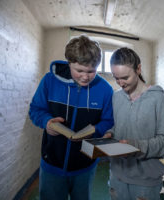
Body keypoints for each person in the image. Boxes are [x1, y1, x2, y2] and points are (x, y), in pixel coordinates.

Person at [29, 35, 114, 200]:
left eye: (91, 71)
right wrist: (46, 122)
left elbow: (108, 120)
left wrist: (96, 130)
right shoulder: (49, 81)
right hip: (52, 163)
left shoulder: (106, 90)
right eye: (79, 70)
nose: (85, 76)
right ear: (69, 63)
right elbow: (35, 110)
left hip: (86, 165)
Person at [103, 47, 164, 200]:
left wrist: (138, 147)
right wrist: (110, 134)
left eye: (125, 77)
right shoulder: (117, 98)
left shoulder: (157, 99)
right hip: (117, 175)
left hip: (145, 180)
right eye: (116, 78)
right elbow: (119, 127)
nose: (120, 83)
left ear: (139, 69)